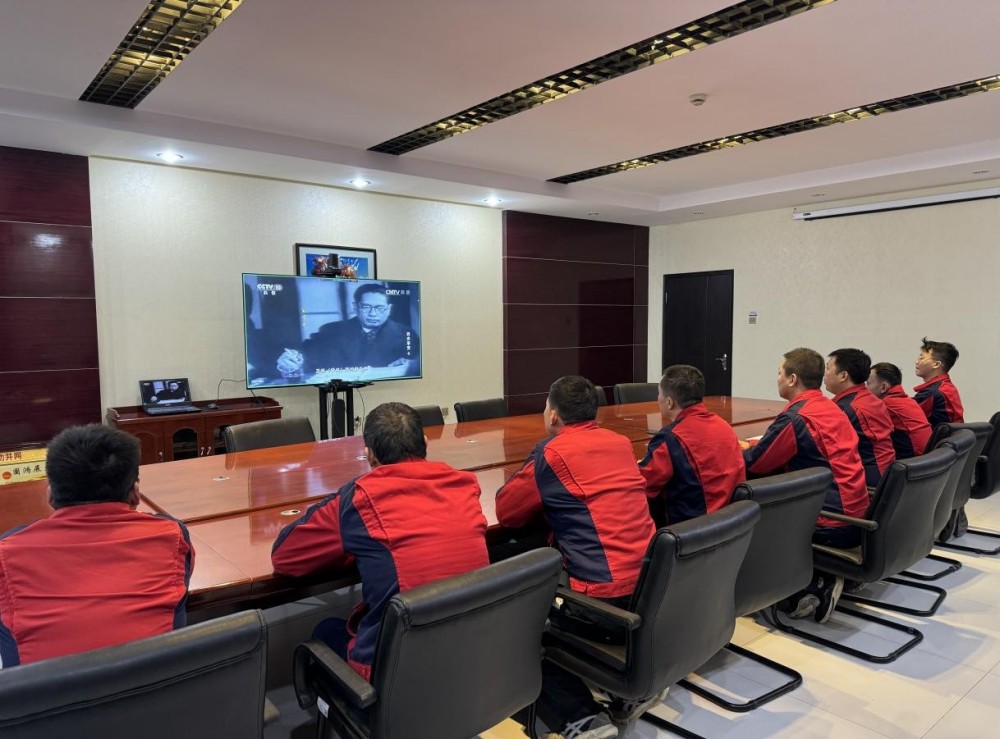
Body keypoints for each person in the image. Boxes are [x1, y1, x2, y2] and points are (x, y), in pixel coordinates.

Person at [271, 402, 488, 681]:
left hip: (398, 673)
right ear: (425, 443)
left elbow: (285, 557)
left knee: (325, 630)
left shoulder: (361, 497)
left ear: (369, 455)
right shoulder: (464, 485)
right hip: (472, 656)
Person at [496, 375, 655, 739]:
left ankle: (580, 718)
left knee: (512, 631)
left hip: (603, 610)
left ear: (553, 415)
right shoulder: (620, 443)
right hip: (651, 597)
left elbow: (507, 513)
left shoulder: (552, 453)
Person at [0, 424, 195, 668]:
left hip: (43, 693)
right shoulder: (172, 535)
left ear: (50, 495)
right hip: (157, 688)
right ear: (135, 493)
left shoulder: (7, 551)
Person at [742, 348, 869, 624]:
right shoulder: (830, 407)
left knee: (746, 507)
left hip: (831, 523)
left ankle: (815, 583)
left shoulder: (796, 417)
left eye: (779, 372)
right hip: (857, 514)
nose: (777, 378)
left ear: (792, 379)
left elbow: (757, 463)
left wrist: (738, 450)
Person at [639, 364, 745, 525]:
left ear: (669, 402)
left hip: (693, 529)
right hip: (733, 522)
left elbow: (644, 484)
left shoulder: (670, 438)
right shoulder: (723, 425)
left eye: (659, 393)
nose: (657, 398)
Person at [276, 282, 420, 377]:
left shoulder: (406, 334)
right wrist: (291, 362)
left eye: (379, 308)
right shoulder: (331, 331)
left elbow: (416, 365)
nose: (373, 313)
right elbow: (304, 354)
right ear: (355, 307)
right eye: (366, 307)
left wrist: (411, 364)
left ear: (388, 309)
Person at [823, 348, 895, 488]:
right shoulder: (871, 399)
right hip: (886, 475)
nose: (824, 374)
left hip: (865, 483)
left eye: (828, 368)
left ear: (843, 376)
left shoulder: (847, 409)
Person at [867, 362, 932, 459]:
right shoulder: (907, 400)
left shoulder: (885, 405)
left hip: (912, 461)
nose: (865, 388)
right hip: (927, 458)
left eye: (868, 383)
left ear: (883, 387)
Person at [914, 337, 965, 426]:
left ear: (936, 364)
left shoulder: (931, 393)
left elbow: (904, 417)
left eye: (921, 358)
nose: (916, 362)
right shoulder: (947, 387)